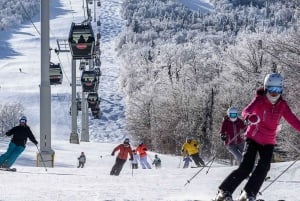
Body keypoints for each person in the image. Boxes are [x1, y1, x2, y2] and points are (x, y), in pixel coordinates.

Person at [214, 73, 300, 201]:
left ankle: (248, 193)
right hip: (253, 138)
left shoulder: (282, 105)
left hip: (269, 141)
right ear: (266, 88)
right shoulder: (260, 100)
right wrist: (250, 117)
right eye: (272, 90)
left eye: (278, 90)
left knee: (264, 167)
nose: (275, 94)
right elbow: (245, 111)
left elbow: (293, 120)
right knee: (246, 166)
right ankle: (224, 191)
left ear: (281, 90)